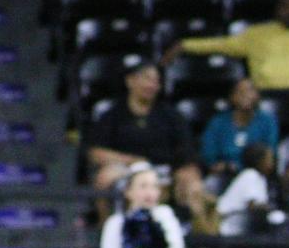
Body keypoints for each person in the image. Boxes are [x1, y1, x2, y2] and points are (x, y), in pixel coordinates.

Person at [85, 60, 210, 229]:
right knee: (104, 176)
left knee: (193, 181)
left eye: (156, 81)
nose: (151, 85)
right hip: (128, 170)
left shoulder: (171, 115)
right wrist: (131, 160)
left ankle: (201, 240)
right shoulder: (113, 115)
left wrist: (187, 170)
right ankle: (107, 229)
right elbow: (95, 152)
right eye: (146, 79)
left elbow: (186, 149)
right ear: (130, 81)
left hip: (165, 170)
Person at [198, 76, 280, 187]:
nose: (245, 95)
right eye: (240, 91)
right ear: (232, 96)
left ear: (258, 95)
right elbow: (209, 156)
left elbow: (270, 153)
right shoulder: (218, 123)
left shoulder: (267, 122)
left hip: (257, 176)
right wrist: (223, 166)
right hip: (224, 177)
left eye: (250, 90)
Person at [214, 141, 278, 236]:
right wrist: (272, 209)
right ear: (259, 160)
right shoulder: (250, 175)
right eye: (269, 158)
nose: (272, 161)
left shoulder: (261, 178)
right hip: (227, 225)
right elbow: (253, 206)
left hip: (241, 225)